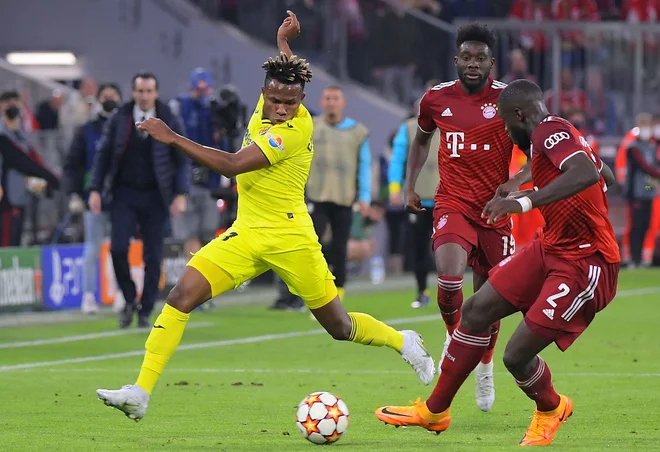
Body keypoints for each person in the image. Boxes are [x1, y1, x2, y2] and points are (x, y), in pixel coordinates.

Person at [96, 10, 434, 422]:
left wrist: (171, 137)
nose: (279, 108)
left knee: (339, 327)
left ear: (302, 103)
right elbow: (285, 75)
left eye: (289, 103)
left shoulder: (294, 131)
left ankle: (403, 341)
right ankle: (141, 392)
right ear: (264, 92)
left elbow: (234, 164)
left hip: (291, 239)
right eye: (274, 100)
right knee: (181, 296)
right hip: (248, 233)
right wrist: (282, 42)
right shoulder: (272, 96)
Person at [375, 79, 620, 447]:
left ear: (520, 115)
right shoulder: (558, 134)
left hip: (587, 262)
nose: (506, 130)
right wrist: (531, 188)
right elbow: (607, 176)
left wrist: (524, 201)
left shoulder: (550, 130)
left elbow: (585, 173)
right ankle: (435, 411)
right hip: (549, 247)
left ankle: (551, 408)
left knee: (516, 356)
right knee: (476, 311)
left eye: (507, 122)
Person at [403, 23, 521, 412]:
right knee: (450, 278)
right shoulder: (435, 99)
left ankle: (484, 366)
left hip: (495, 212)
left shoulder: (510, 100)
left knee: (489, 300)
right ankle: (456, 341)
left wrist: (515, 185)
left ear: (492, 63)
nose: (473, 64)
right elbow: (421, 140)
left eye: (480, 58)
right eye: (466, 57)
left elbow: (539, 147)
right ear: (456, 59)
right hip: (452, 203)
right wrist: (410, 185)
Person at [88, 72, 190, 329]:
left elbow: (183, 158)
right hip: (125, 193)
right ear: (133, 93)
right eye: (140, 91)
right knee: (118, 249)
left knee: (153, 257)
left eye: (148, 91)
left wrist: (180, 193)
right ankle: (130, 297)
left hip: (157, 196)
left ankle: (145, 309)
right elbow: (103, 155)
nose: (144, 96)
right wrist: (95, 189)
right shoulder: (120, 118)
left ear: (156, 93)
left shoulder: (169, 118)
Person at [269, 84, 371, 310]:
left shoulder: (357, 131)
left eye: (336, 98)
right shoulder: (311, 127)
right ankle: (307, 295)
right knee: (310, 246)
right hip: (315, 197)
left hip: (344, 198)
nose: (332, 102)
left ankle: (339, 295)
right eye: (328, 98)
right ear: (321, 103)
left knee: (339, 248)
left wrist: (365, 196)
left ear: (342, 103)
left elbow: (364, 166)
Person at [63, 83, 123, 314]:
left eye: (113, 96)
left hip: (120, 198)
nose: (109, 100)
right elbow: (73, 164)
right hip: (94, 198)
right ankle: (88, 295)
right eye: (105, 97)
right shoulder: (87, 130)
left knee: (119, 248)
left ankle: (120, 293)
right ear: (97, 99)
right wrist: (75, 193)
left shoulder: (126, 128)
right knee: (92, 249)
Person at [389, 80, 441, 309]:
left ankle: (451, 290)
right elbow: (398, 159)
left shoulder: (453, 127)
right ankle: (422, 291)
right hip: (418, 197)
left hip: (446, 198)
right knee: (419, 247)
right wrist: (394, 188)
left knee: (449, 246)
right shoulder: (409, 127)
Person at [169, 68, 222, 257]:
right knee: (189, 233)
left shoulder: (217, 110)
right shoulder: (180, 108)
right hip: (187, 179)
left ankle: (207, 281)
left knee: (210, 232)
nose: (202, 95)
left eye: (205, 90)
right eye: (198, 90)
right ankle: (194, 281)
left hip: (211, 181)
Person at [0, 90, 60, 246]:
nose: (12, 106)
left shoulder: (22, 135)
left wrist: (45, 183)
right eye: (8, 102)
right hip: (5, 198)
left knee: (16, 238)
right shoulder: (3, 137)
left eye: (15, 102)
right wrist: (49, 177)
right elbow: (23, 162)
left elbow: (33, 161)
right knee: (6, 242)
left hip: (20, 195)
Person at [622, 113, 660, 268]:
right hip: (635, 192)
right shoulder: (633, 147)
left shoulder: (651, 147)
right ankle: (633, 258)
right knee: (636, 225)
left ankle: (641, 259)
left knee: (646, 224)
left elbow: (655, 165)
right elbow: (644, 166)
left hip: (647, 189)